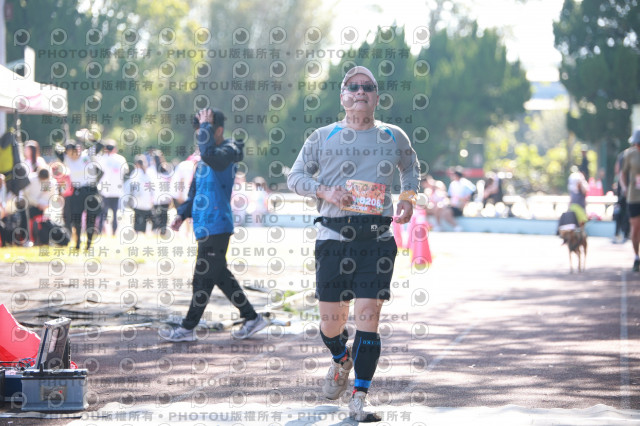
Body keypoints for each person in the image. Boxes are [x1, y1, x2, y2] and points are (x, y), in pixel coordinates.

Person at [287, 65, 420, 422]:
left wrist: (407, 196)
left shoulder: (393, 136)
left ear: (377, 97)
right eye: (353, 86)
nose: (361, 91)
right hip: (333, 239)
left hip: (376, 241)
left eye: (368, 87)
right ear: (342, 96)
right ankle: (340, 359)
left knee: (368, 317)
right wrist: (324, 190)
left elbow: (411, 167)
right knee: (332, 324)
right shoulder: (322, 136)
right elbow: (295, 177)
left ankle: (360, 397)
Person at [160, 108, 267, 342]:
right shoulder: (202, 160)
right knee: (220, 277)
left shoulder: (228, 151)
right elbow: (194, 193)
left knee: (201, 279)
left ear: (217, 130)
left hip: (218, 226)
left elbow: (210, 154)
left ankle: (188, 328)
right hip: (203, 226)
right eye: (199, 131)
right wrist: (181, 214)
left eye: (204, 130)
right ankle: (252, 318)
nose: (200, 135)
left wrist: (205, 126)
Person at [54, 139, 103, 250]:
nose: (72, 156)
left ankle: (89, 243)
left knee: (91, 218)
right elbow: (56, 150)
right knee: (76, 218)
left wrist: (90, 138)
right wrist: (63, 145)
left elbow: (100, 145)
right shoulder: (66, 159)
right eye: (68, 153)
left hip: (91, 190)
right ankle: (77, 243)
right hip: (76, 191)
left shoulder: (87, 155)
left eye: (73, 152)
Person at [96, 139, 128, 236]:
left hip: (104, 189)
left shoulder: (102, 158)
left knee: (103, 212)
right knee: (114, 211)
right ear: (115, 149)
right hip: (116, 190)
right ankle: (114, 230)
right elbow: (125, 170)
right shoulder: (120, 159)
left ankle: (99, 230)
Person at [620, 127, 640, 271]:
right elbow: (622, 173)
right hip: (634, 195)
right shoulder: (629, 154)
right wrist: (624, 187)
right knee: (635, 228)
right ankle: (636, 257)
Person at [123, 155, 154, 234]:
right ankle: (143, 232)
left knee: (138, 217)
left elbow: (132, 186)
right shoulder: (148, 173)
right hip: (147, 199)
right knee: (144, 218)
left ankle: (137, 232)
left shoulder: (136, 173)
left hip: (138, 199)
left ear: (137, 164)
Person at [446, 167, 475, 231]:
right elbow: (450, 196)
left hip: (460, 206)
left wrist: (465, 200)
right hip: (453, 205)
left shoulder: (465, 182)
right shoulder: (453, 184)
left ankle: (457, 226)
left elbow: (473, 191)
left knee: (446, 212)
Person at [613, 151, 629, 243]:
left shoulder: (622, 155)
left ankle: (619, 233)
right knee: (623, 211)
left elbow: (617, 170)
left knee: (622, 211)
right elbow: (618, 171)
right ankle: (623, 233)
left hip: (624, 189)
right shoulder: (625, 155)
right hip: (625, 190)